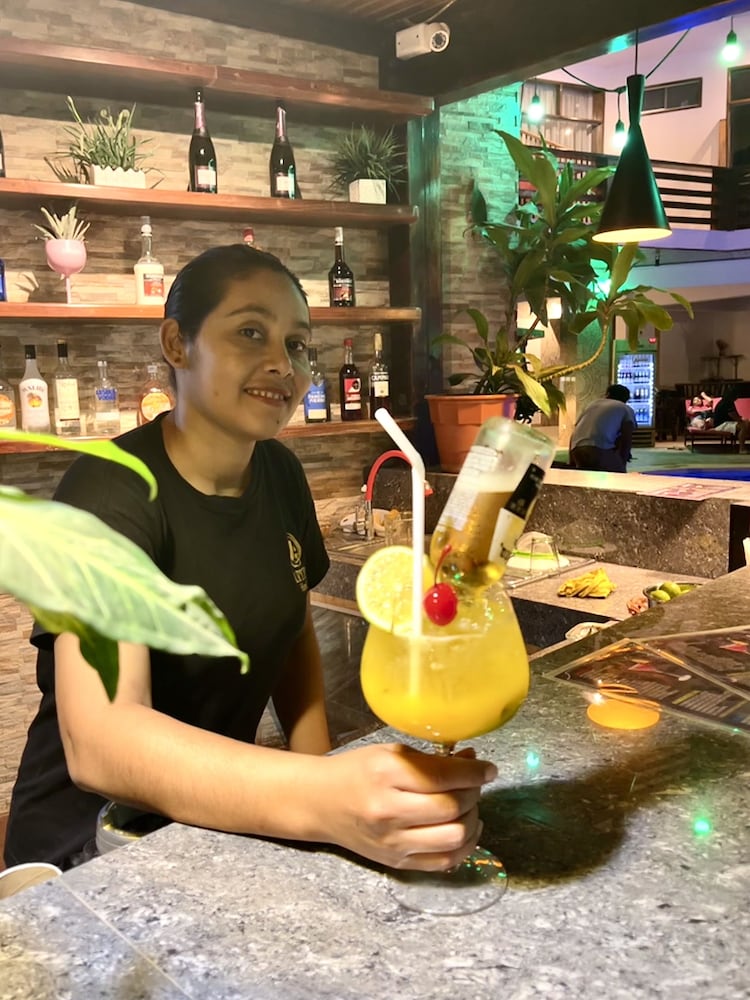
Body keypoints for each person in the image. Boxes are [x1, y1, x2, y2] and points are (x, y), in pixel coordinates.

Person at [5, 245, 495, 873]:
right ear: (177, 345)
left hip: (212, 828)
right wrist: (325, 797)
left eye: (297, 344)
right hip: (87, 855)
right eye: (250, 332)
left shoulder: (281, 473)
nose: (282, 365)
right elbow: (99, 742)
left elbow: (292, 634)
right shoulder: (109, 491)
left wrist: (322, 785)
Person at [569, 384, 636, 473]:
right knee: (618, 477)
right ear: (626, 399)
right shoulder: (626, 409)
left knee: (586, 476)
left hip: (577, 449)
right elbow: (626, 438)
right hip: (599, 449)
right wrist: (622, 462)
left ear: (607, 394)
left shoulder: (592, 405)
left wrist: (571, 460)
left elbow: (575, 432)